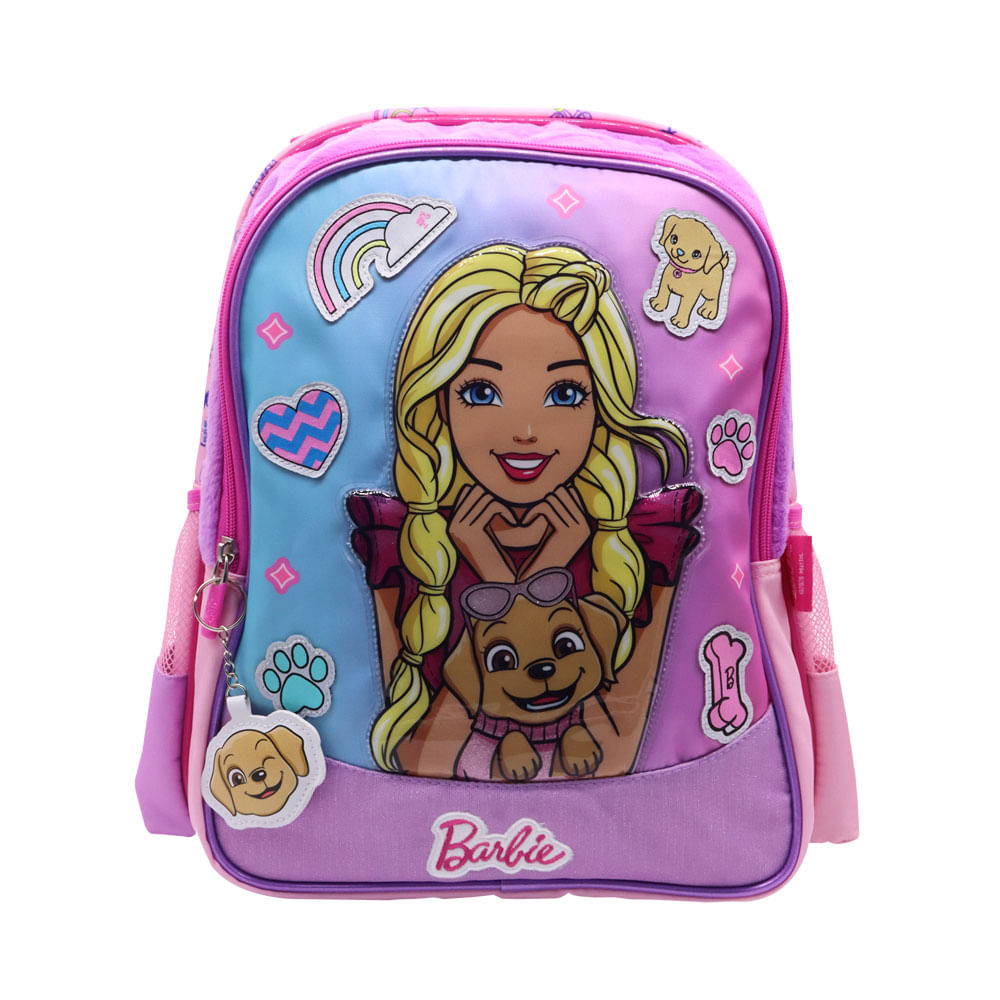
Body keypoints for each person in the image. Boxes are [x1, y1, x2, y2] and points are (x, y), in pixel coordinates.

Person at [347, 244, 701, 778]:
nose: (526, 432)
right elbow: (417, 759)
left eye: (565, 393)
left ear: (602, 406)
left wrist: (524, 574)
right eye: (481, 391)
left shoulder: (637, 546)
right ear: (437, 401)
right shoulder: (411, 543)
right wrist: (513, 578)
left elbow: (615, 758)